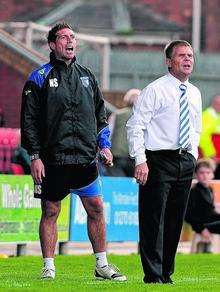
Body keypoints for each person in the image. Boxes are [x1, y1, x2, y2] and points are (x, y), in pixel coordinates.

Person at [20, 23, 126, 282]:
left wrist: (104, 145)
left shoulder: (87, 75)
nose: (70, 41)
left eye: (73, 37)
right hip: (53, 160)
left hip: (85, 159)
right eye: (64, 37)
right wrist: (34, 156)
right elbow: (29, 121)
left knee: (97, 208)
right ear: (52, 44)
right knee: (51, 211)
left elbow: (101, 115)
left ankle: (102, 266)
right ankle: (48, 267)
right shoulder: (39, 78)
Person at [126, 40, 202, 284]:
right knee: (153, 219)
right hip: (158, 160)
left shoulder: (195, 92)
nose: (187, 59)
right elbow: (135, 126)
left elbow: (196, 127)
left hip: (184, 160)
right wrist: (140, 160)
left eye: (190, 55)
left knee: (174, 220)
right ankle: (153, 274)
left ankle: (166, 273)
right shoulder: (155, 90)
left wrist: (193, 156)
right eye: (181, 55)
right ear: (169, 62)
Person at [106, 89, 141, 177]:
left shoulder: (117, 114)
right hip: (135, 157)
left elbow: (108, 133)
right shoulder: (144, 117)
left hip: (117, 155)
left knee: (117, 184)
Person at [185, 159, 220, 239]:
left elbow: (211, 211)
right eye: (201, 173)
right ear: (196, 174)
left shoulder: (210, 189)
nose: (205, 176)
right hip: (202, 226)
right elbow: (188, 215)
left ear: (212, 175)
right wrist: (201, 229)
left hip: (211, 221)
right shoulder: (193, 192)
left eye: (208, 173)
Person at [199, 95, 220, 178]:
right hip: (210, 158)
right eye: (218, 103)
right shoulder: (206, 116)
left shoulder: (217, 116)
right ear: (213, 103)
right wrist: (211, 154)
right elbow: (202, 137)